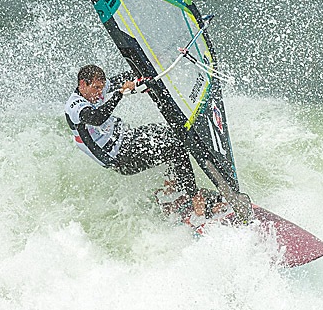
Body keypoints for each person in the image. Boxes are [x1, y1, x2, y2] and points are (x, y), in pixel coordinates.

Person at [64, 64, 227, 220]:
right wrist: (119, 94)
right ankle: (196, 201)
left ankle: (171, 189)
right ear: (82, 84)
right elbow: (97, 118)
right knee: (176, 148)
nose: (100, 92)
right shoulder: (75, 106)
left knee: (175, 131)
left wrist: (150, 69)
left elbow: (125, 78)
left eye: (102, 87)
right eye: (96, 88)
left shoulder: (97, 89)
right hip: (120, 158)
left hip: (128, 137)